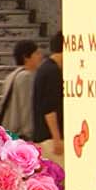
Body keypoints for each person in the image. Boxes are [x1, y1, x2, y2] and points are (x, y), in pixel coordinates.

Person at [0, 40, 40, 144]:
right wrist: (29, 136)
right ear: (26, 57)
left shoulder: (11, 76)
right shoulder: (26, 77)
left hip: (9, 132)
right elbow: (26, 108)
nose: (40, 57)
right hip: (19, 135)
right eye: (36, 53)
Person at [34, 32, 65, 163]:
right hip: (51, 139)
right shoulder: (53, 72)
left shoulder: (45, 68)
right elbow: (49, 108)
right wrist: (56, 138)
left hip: (45, 137)